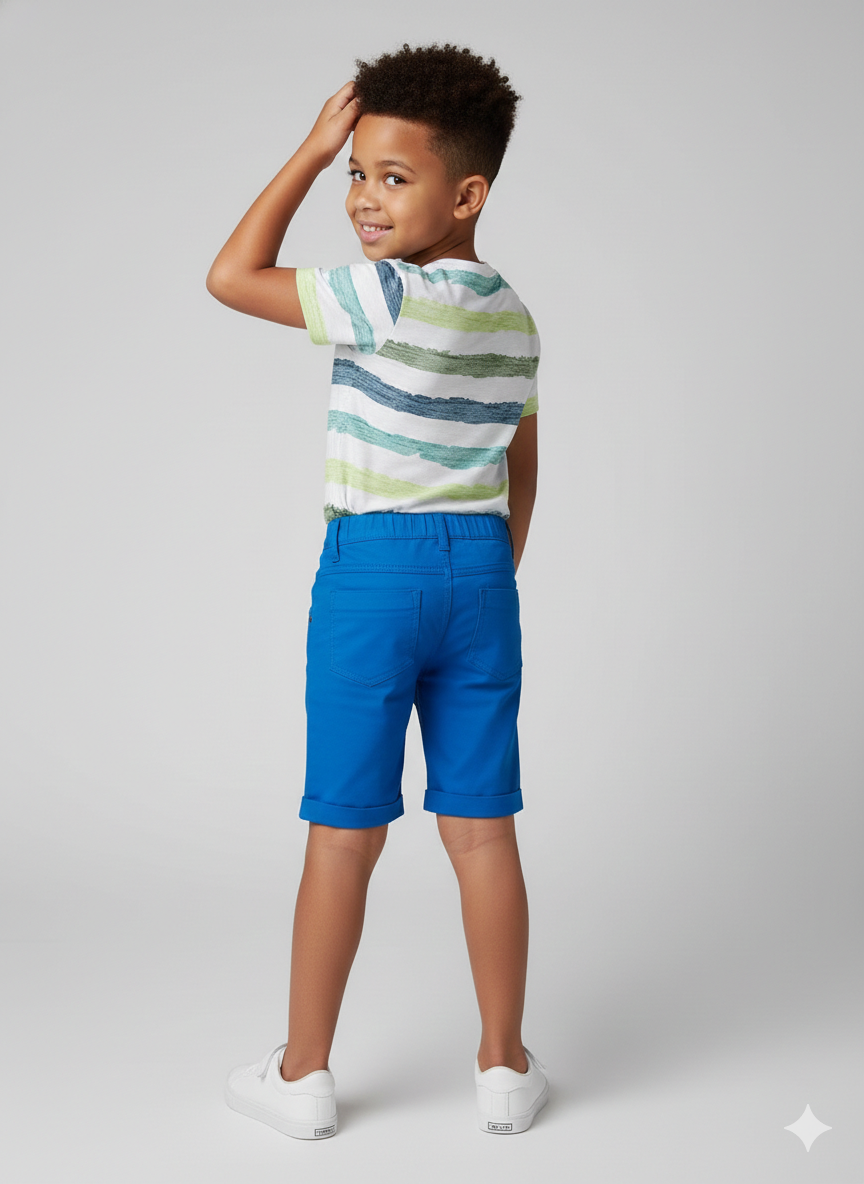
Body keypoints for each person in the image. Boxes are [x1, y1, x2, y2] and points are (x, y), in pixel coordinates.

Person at [206, 42, 547, 1139]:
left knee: (345, 828)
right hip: (481, 571)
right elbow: (521, 464)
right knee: (483, 828)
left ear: (467, 194)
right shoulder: (516, 317)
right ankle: (504, 1067)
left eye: (392, 177)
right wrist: (486, 571)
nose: (362, 197)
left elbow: (230, 275)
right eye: (354, 171)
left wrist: (308, 150)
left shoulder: (384, 294)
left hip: (373, 570)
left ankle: (303, 1074)